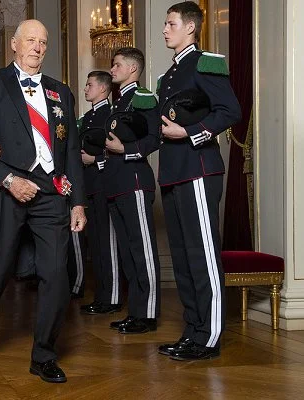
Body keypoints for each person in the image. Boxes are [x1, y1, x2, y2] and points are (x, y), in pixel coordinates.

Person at [0, 19, 86, 384]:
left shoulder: (61, 91)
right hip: (7, 188)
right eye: (30, 40)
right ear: (14, 44)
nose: (37, 46)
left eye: (43, 41)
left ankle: (44, 354)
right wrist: (8, 179)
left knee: (56, 275)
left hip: (52, 192)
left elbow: (73, 149)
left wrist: (78, 202)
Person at [157, 2, 241, 361]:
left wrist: (189, 132)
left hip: (199, 169)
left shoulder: (206, 62)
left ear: (190, 27)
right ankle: (193, 332)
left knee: (203, 256)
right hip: (174, 173)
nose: (164, 29)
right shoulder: (168, 75)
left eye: (170, 23)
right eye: (164, 23)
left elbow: (230, 111)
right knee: (183, 257)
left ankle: (210, 337)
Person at [103, 47, 161, 334]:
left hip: (135, 180)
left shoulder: (144, 98)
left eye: (117, 65)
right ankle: (136, 311)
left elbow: (154, 138)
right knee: (127, 251)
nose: (112, 70)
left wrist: (125, 150)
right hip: (116, 184)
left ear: (132, 70)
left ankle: (147, 314)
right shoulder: (119, 102)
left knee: (142, 250)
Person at [77, 70, 123, 314]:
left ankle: (112, 297)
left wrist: (94, 159)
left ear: (104, 89)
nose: (85, 89)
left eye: (90, 85)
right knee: (95, 243)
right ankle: (102, 295)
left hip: (105, 182)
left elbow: (118, 149)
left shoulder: (110, 114)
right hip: (90, 186)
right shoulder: (87, 117)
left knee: (108, 242)